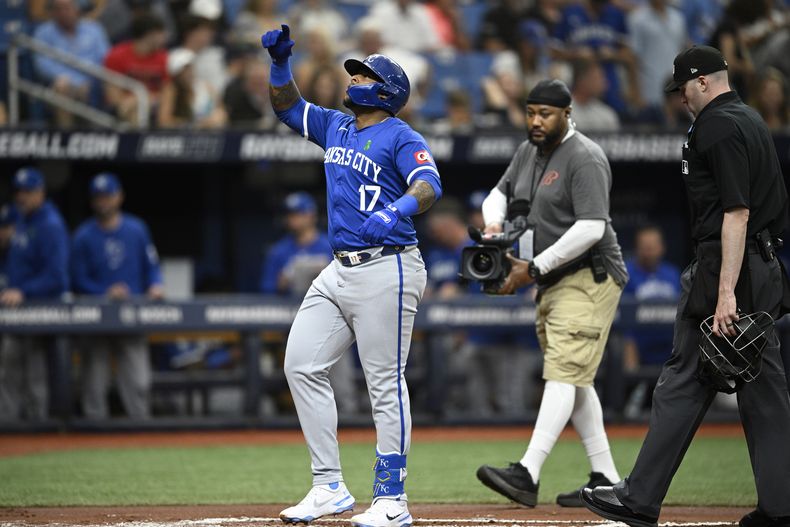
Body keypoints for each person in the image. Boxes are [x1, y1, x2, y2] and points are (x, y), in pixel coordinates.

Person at [582, 45, 790, 527]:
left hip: (727, 266)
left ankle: (639, 497)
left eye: (682, 90)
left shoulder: (716, 123)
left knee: (683, 380)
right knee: (766, 391)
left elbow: (735, 212)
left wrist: (724, 294)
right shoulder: (753, 119)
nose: (680, 100)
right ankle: (781, 508)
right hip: (762, 262)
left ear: (702, 82)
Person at [261, 24, 442, 527]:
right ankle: (328, 486)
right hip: (339, 269)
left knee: (384, 383)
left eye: (364, 74)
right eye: (355, 73)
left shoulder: (401, 134)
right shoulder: (336, 126)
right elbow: (286, 107)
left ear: (387, 90)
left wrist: (398, 209)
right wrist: (280, 65)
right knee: (300, 365)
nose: (354, 78)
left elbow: (429, 183)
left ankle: (391, 500)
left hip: (390, 264)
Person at [475, 79, 628, 508]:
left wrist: (535, 267)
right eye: (531, 112)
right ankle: (606, 478)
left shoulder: (586, 156)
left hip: (590, 274)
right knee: (574, 376)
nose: (536, 121)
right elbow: (498, 195)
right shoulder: (528, 152)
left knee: (562, 369)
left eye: (546, 113)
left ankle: (527, 472)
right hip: (553, 279)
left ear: (567, 113)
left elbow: (591, 227)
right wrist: (492, 226)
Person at [71, 173, 163, 420]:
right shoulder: (83, 236)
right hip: (96, 317)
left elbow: (152, 266)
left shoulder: (136, 229)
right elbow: (76, 280)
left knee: (139, 382)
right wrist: (104, 292)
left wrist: (155, 284)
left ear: (119, 197)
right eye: (99, 197)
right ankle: (94, 435)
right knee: (94, 382)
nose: (104, 202)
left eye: (108, 196)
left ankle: (142, 433)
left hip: (133, 313)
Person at [0, 168, 69, 422]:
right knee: (8, 373)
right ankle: (7, 427)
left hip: (40, 309)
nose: (22, 197)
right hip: (15, 310)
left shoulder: (50, 224)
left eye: (28, 192)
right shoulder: (19, 218)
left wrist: (23, 290)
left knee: (34, 376)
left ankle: (36, 430)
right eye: (19, 192)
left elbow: (57, 275)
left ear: (40, 192)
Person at [622, 225, 681, 417]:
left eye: (652, 246)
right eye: (644, 246)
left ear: (661, 248)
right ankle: (631, 397)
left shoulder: (672, 274)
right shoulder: (627, 274)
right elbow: (621, 318)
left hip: (668, 344)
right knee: (625, 340)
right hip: (639, 344)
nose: (648, 251)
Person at [32, 0, 110, 126]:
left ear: (77, 9)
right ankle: (67, 135)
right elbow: (42, 63)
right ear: (52, 12)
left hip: (92, 83)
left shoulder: (94, 29)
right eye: (58, 9)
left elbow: (105, 58)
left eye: (67, 8)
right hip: (60, 83)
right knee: (62, 88)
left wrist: (90, 80)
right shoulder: (43, 32)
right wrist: (71, 81)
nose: (63, 13)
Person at [260, 192, 332, 297]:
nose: (293, 219)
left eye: (298, 214)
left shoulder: (330, 247)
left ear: (312, 215)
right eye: (290, 214)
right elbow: (266, 290)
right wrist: (281, 283)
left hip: (325, 304)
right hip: (289, 308)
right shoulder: (278, 250)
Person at [103, 13, 169, 124]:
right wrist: (129, 102)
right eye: (161, 33)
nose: (165, 38)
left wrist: (140, 99)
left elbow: (168, 92)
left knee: (138, 107)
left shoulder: (164, 58)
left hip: (154, 104)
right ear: (150, 34)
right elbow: (112, 93)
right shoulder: (117, 55)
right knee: (133, 110)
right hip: (123, 106)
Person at [157, 47, 227, 129]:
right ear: (176, 73)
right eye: (184, 69)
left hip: (209, 135)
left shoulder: (206, 87)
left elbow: (223, 112)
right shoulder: (170, 90)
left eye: (190, 67)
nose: (189, 72)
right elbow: (164, 121)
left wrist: (218, 117)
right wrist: (195, 124)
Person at [570, 58, 620, 132]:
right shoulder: (562, 113)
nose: (604, 83)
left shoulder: (607, 114)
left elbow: (617, 142)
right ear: (582, 80)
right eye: (598, 78)